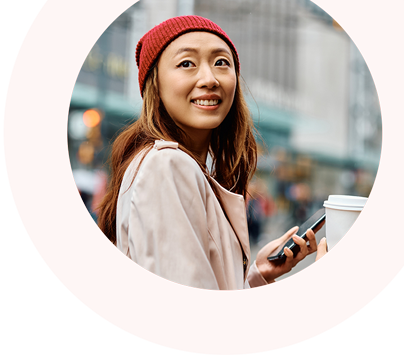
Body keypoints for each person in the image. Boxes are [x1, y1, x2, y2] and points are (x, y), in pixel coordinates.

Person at [97, 15, 327, 290]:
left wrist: (257, 276)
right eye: (186, 64)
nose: (209, 79)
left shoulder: (178, 166)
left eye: (221, 62)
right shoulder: (167, 165)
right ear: (154, 85)